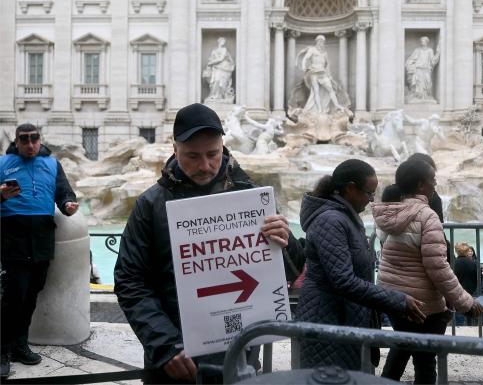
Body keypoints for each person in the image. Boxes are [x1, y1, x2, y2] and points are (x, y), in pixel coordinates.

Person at [114, 103, 296, 384]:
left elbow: (289, 274)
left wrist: (285, 242)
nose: (205, 165)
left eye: (213, 154)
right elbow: (130, 280)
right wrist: (164, 346)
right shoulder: (150, 205)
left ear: (223, 147)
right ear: (175, 151)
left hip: (240, 357)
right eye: (192, 156)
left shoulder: (252, 197)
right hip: (175, 360)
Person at [295, 159, 426, 371]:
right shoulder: (331, 220)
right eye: (369, 193)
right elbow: (342, 280)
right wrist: (398, 301)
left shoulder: (345, 217)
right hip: (329, 320)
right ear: (350, 188)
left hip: (343, 318)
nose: (371, 200)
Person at [373, 159, 483, 384]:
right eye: (433, 180)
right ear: (421, 185)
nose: (435, 184)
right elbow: (438, 267)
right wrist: (465, 303)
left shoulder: (388, 213)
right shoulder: (427, 215)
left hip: (393, 297)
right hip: (422, 304)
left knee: (402, 347)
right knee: (424, 361)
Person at [0, 124, 79, 379]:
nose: (30, 144)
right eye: (25, 140)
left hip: (43, 236)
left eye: (34, 139)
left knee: (32, 293)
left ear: (40, 140)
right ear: (17, 141)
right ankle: (2, 351)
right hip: (13, 236)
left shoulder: (52, 164)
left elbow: (63, 192)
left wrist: (67, 204)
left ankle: (20, 345)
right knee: (14, 295)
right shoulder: (3, 163)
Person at [297, 35, 346, 114]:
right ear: (316, 42)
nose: (321, 43)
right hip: (314, 73)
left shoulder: (324, 53)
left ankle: (337, 105)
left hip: (323, 73)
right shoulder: (312, 50)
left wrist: (329, 75)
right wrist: (303, 66)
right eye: (319, 41)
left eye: (322, 41)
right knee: (316, 91)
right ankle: (319, 110)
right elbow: (305, 58)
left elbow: (327, 65)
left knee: (330, 89)